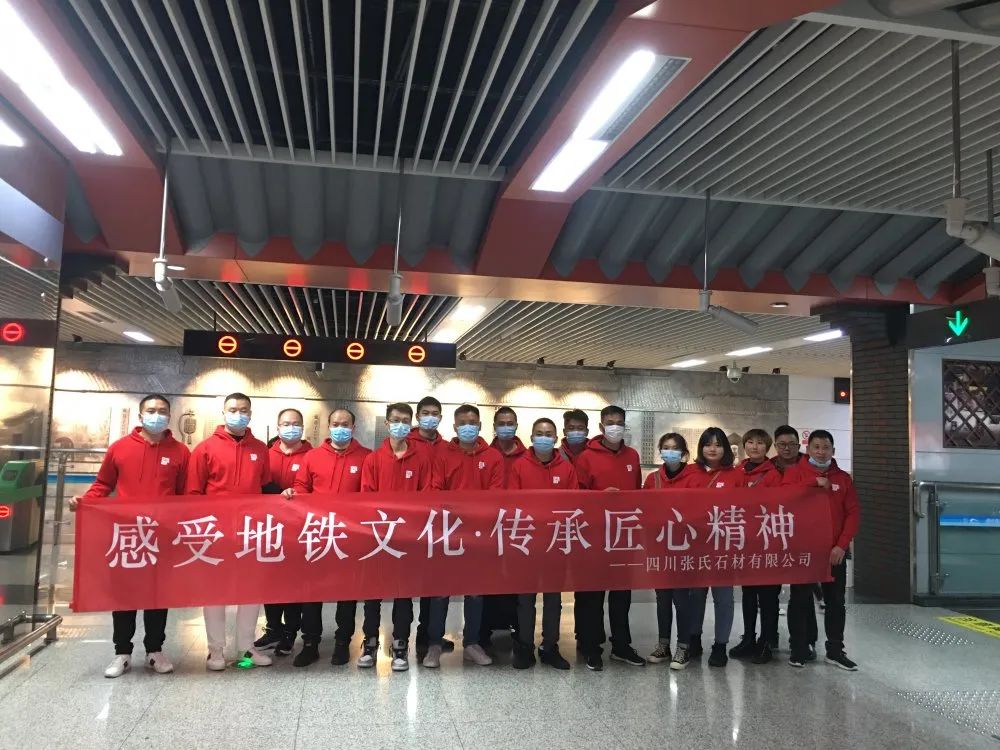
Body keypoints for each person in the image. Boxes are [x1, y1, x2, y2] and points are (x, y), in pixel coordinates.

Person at [71, 394, 189, 678]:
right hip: (127, 534)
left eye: (162, 411)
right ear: (140, 415)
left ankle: (154, 651)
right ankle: (122, 652)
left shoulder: (181, 452)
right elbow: (103, 484)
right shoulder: (120, 448)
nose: (157, 415)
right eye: (151, 410)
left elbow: (186, 495)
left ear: (169, 416)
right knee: (124, 595)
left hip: (162, 535)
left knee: (158, 595)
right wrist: (84, 501)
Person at [187, 393, 273, 670]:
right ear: (223, 413)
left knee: (251, 592)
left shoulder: (260, 449)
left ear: (251, 414)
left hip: (250, 532)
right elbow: (193, 493)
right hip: (215, 533)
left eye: (244, 410)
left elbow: (263, 485)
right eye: (233, 409)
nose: (239, 414)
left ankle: (246, 649)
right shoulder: (205, 449)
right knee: (215, 593)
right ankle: (215, 651)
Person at [285, 408, 371, 667]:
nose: (340, 428)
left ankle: (343, 642)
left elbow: (369, 495)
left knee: (347, 592)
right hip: (317, 534)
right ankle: (310, 643)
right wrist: (292, 493)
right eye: (335, 424)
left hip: (350, 536)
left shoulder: (367, 457)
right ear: (329, 426)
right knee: (312, 592)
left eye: (345, 424)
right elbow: (301, 487)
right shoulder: (312, 456)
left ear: (353, 427)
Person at [423, 404, 504, 668]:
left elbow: (496, 494)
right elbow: (435, 490)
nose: (468, 426)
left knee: (476, 592)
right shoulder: (442, 455)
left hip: (479, 535)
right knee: (440, 591)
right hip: (448, 533)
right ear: (455, 427)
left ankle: (471, 643)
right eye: (463, 423)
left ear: (480, 425)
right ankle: (434, 644)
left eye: (473, 422)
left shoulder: (493, 457)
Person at [359, 403, 432, 672]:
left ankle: (400, 644)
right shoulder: (373, 460)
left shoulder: (422, 459)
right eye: (395, 420)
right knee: (373, 594)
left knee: (404, 594)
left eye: (405, 420)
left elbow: (426, 497)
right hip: (378, 538)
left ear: (411, 425)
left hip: (408, 539)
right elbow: (367, 498)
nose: (400, 425)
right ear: (387, 423)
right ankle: (370, 642)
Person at [574, 405, 646, 671]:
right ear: (601, 426)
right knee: (592, 596)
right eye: (610, 422)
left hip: (623, 535)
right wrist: (600, 498)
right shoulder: (586, 457)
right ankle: (591, 647)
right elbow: (577, 497)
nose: (615, 426)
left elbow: (637, 492)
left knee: (621, 596)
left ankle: (621, 645)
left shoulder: (632, 456)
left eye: (619, 422)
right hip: (594, 535)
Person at [782, 430, 860, 671]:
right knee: (799, 599)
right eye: (816, 447)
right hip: (803, 550)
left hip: (834, 552)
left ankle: (835, 651)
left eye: (826, 447)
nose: (821, 452)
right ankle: (798, 649)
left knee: (836, 601)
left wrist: (842, 545)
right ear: (808, 449)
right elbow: (784, 497)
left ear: (833, 451)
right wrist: (813, 483)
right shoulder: (794, 473)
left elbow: (853, 514)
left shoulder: (843, 479)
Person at [508, 418, 577, 670]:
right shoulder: (519, 466)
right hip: (527, 542)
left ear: (556, 439)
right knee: (525, 599)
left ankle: (550, 647)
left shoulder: (566, 469)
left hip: (555, 542)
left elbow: (574, 504)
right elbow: (512, 503)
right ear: (532, 437)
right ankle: (525, 646)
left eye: (548, 434)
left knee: (553, 599)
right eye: (539, 433)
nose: (544, 438)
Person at [679, 426, 746, 668]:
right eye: (708, 444)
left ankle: (720, 645)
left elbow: (745, 508)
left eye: (718, 444)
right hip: (695, 546)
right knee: (695, 596)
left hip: (723, 547)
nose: (713, 449)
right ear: (701, 448)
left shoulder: (736, 475)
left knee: (724, 598)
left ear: (726, 449)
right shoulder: (690, 473)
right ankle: (694, 639)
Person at [256, 409, 312, 658]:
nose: (291, 427)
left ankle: (290, 631)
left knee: (294, 582)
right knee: (269, 581)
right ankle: (273, 628)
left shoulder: (312, 455)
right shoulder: (265, 454)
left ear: (303, 427)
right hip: (268, 528)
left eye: (295, 423)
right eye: (286, 424)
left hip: (299, 529)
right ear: (277, 427)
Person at [642, 432, 696, 671]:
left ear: (683, 453)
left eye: (675, 448)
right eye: (665, 447)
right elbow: (643, 509)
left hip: (685, 549)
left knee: (682, 600)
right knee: (662, 599)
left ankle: (684, 647)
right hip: (660, 547)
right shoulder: (652, 479)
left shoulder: (694, 478)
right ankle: (663, 644)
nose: (669, 452)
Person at [730, 428, 782, 665]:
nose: (754, 447)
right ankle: (749, 638)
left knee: (768, 596)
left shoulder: (773, 474)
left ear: (767, 447)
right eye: (750, 442)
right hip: (745, 542)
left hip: (767, 542)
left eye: (760, 443)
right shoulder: (737, 472)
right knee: (749, 594)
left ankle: (767, 642)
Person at [409, 395, 454, 659]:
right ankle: (414, 635)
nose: (430, 417)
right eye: (425, 413)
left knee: (436, 583)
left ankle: (429, 634)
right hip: (415, 523)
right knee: (413, 584)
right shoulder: (407, 445)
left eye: (435, 413)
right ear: (418, 416)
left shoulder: (446, 447)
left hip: (441, 525)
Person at [772, 424, 818, 657]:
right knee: (770, 591)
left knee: (802, 592)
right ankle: (769, 638)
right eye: (782, 444)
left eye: (791, 444)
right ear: (775, 445)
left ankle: (805, 640)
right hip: (773, 534)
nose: (787, 448)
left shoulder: (811, 465)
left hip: (804, 535)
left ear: (799, 444)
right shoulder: (768, 467)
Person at [491, 406, 527, 484]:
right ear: (494, 426)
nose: (506, 427)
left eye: (510, 424)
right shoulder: (487, 455)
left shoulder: (527, 456)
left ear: (516, 426)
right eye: (501, 424)